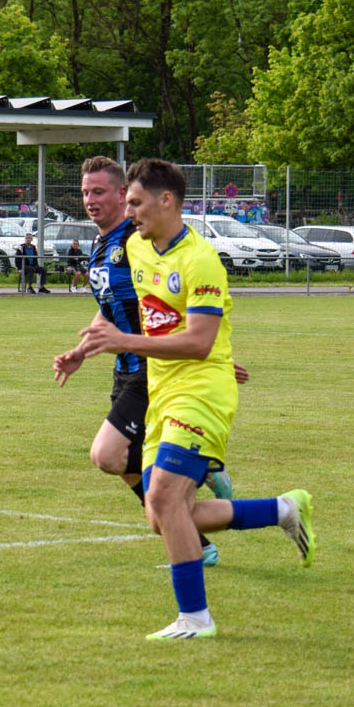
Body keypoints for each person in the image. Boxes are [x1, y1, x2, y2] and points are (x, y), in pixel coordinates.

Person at [73, 158, 314, 639]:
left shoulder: (200, 260)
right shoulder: (136, 249)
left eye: (135, 203)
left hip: (200, 392)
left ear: (166, 201)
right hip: (160, 391)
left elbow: (201, 342)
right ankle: (283, 509)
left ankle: (195, 618)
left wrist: (126, 342)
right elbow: (127, 312)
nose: (129, 213)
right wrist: (89, 344)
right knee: (163, 517)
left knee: (163, 496)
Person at [51, 156, 238, 570]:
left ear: (123, 194)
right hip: (126, 368)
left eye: (99, 192)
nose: (90, 200)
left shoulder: (138, 241)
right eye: (85, 192)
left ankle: (201, 476)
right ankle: (199, 539)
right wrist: (81, 350)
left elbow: (172, 309)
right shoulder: (105, 245)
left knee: (107, 454)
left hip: (151, 370)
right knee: (121, 464)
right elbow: (112, 307)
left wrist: (221, 359)